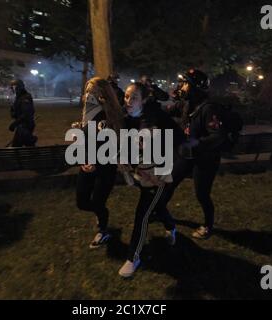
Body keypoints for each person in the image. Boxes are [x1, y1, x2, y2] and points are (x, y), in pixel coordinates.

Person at [118, 82, 185, 278]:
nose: (128, 101)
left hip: (159, 175)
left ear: (145, 99)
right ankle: (171, 227)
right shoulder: (127, 119)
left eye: (134, 97)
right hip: (142, 174)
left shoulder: (157, 116)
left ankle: (133, 257)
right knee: (157, 206)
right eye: (126, 97)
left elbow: (179, 138)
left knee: (142, 215)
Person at [159, 69, 226, 240]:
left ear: (196, 87)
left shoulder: (209, 108)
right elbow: (166, 111)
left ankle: (208, 225)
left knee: (202, 194)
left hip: (205, 159)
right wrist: (150, 101)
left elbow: (218, 135)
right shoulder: (186, 104)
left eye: (185, 83)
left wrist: (198, 143)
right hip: (186, 154)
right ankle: (158, 211)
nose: (181, 86)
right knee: (168, 183)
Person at [76, 77, 124, 249]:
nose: (89, 94)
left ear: (103, 94)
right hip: (87, 163)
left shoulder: (108, 114)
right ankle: (99, 213)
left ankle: (103, 230)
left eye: (93, 91)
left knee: (97, 201)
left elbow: (111, 143)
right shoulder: (88, 111)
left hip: (104, 166)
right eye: (87, 90)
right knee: (81, 202)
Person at [9, 79, 37, 147]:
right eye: (12, 87)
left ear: (19, 87)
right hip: (21, 126)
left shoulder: (25, 97)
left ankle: (31, 140)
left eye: (14, 87)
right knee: (19, 145)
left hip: (25, 125)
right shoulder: (19, 97)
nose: (13, 89)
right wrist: (13, 110)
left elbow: (26, 114)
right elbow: (17, 112)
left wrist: (14, 124)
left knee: (17, 146)